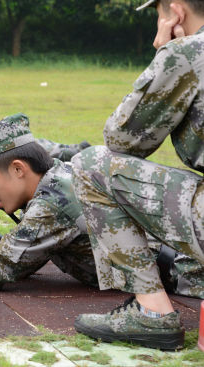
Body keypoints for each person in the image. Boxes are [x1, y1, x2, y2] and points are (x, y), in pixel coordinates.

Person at [0, 114, 204, 299]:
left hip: (185, 275)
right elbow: (24, 252)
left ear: (19, 169)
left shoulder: (52, 203)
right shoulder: (57, 182)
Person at [71, 0, 204, 350]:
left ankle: (153, 314)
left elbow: (122, 139)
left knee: (91, 165)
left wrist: (165, 52)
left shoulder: (189, 52)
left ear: (175, 12)